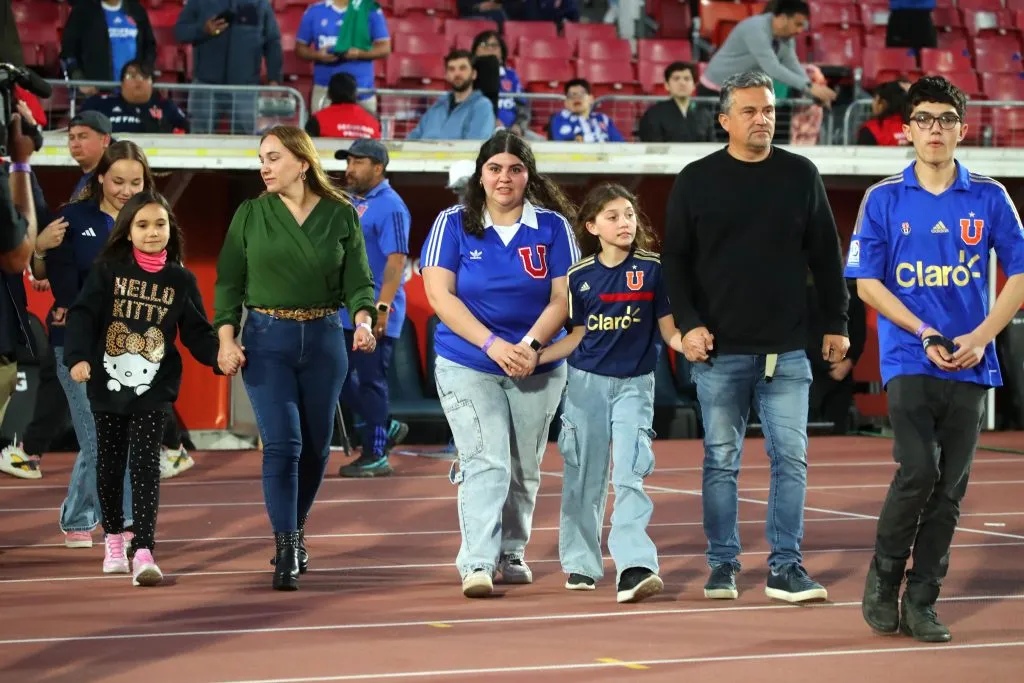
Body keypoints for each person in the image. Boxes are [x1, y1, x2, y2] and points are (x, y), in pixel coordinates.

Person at [846, 76, 1024, 642]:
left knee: (951, 488)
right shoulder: (883, 198)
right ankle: (884, 577)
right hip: (909, 356)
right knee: (919, 470)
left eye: (946, 119)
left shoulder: (991, 197)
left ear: (962, 129)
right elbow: (867, 284)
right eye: (923, 119)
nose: (935, 129)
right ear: (906, 129)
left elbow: (1019, 275)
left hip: (972, 361)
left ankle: (923, 600)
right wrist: (923, 330)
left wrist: (982, 336)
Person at [662, 70, 850, 603]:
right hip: (719, 352)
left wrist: (837, 322)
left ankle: (786, 567)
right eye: (749, 110)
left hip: (788, 351)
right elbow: (674, 260)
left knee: (791, 459)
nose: (762, 118)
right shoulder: (695, 179)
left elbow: (827, 257)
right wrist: (688, 323)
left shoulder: (801, 174)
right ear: (724, 120)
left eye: (768, 110)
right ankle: (722, 565)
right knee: (722, 461)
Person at [214, 125, 377, 591]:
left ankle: (297, 527)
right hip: (267, 339)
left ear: (302, 163)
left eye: (273, 158)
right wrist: (227, 339)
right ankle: (286, 545)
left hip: (326, 339)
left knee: (318, 450)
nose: (263, 167)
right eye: (261, 158)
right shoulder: (249, 214)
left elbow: (359, 282)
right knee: (283, 445)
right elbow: (227, 284)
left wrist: (363, 321)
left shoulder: (341, 214)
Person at [420, 130, 580, 598]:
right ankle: (476, 562)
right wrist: (492, 345)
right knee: (486, 458)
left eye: (514, 168)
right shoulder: (452, 223)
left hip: (537, 365)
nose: (504, 177)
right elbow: (438, 294)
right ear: (480, 174)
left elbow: (562, 296)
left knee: (524, 467)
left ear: (528, 175)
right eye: (494, 168)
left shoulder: (552, 227)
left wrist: (529, 346)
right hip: (468, 360)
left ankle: (512, 551)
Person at [63, 191, 223, 586]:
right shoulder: (107, 271)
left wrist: (222, 357)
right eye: (143, 225)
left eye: (160, 224)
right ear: (127, 231)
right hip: (108, 381)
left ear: (171, 229)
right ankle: (114, 537)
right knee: (111, 462)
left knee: (147, 464)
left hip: (155, 386)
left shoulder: (181, 279)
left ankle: (144, 549)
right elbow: (83, 316)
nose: (153, 233)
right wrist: (78, 358)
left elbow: (199, 333)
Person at [538, 183, 685, 603]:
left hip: (635, 387)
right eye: (613, 216)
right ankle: (582, 564)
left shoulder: (655, 269)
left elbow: (669, 330)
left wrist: (687, 344)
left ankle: (635, 565)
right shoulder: (578, 276)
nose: (625, 223)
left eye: (630, 215)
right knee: (584, 476)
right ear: (592, 226)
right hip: (584, 385)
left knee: (629, 474)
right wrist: (540, 355)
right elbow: (579, 336)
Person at [48, 140, 156, 548]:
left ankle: (78, 515)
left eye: (135, 181)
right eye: (117, 181)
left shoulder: (152, 221)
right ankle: (128, 526)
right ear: (99, 179)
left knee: (109, 437)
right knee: (102, 438)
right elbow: (64, 291)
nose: (126, 190)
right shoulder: (72, 220)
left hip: (131, 349)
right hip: (77, 346)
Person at [335, 139, 410, 477]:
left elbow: (397, 260)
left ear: (378, 167)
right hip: (344, 310)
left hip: (376, 309)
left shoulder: (392, 206)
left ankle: (376, 452)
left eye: (357, 162)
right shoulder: (350, 201)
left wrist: (383, 306)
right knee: (333, 378)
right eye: (348, 161)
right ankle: (387, 425)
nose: (349, 168)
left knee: (370, 380)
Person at [699, 1, 836, 110]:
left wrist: (811, 89)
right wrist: (809, 88)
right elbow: (772, 67)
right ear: (782, 19)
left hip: (740, 94)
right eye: (797, 24)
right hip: (715, 91)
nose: (800, 30)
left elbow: (792, 64)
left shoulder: (787, 37)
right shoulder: (755, 29)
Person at [174, 0, 283, 135]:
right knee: (199, 137)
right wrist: (203, 30)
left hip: (245, 88)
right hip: (205, 86)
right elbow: (180, 32)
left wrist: (274, 78)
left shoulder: (260, 3)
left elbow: (272, 42)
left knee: (245, 141)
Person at [295, 0, 391, 113]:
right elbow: (300, 49)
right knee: (322, 130)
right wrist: (318, 55)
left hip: (361, 91)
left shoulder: (369, 9)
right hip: (324, 89)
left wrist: (358, 54)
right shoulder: (314, 11)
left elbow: (385, 49)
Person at [60, 0, 157, 92]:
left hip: (132, 93)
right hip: (96, 92)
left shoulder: (137, 10)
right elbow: (68, 52)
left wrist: (144, 73)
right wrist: (80, 80)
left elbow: (149, 47)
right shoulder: (83, 11)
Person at [406, 50, 496, 141]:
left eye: (462, 68)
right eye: (452, 69)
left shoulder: (482, 106)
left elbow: (476, 147)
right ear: (447, 76)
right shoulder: (438, 105)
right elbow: (414, 136)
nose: (457, 74)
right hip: (420, 154)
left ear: (473, 74)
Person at [81, 60, 190, 135]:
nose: (138, 81)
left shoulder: (166, 107)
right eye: (131, 76)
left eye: (144, 77)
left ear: (152, 84)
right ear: (122, 83)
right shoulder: (99, 105)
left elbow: (185, 133)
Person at [637, 62, 715, 143]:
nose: (682, 83)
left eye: (687, 79)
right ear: (667, 85)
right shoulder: (653, 114)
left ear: (694, 85)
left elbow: (711, 146)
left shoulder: (704, 114)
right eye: (676, 79)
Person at [304, 72, 381, 139]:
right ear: (355, 94)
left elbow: (307, 151)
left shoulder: (316, 120)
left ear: (329, 94)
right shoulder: (373, 120)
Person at [548, 79, 625, 143]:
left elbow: (619, 144)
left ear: (591, 99)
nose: (576, 98)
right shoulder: (559, 118)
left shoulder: (603, 119)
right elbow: (562, 144)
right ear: (566, 103)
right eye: (571, 95)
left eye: (581, 94)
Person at [858, 81, 910, 146]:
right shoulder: (913, 127)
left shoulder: (870, 129)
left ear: (883, 103)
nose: (873, 104)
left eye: (875, 99)